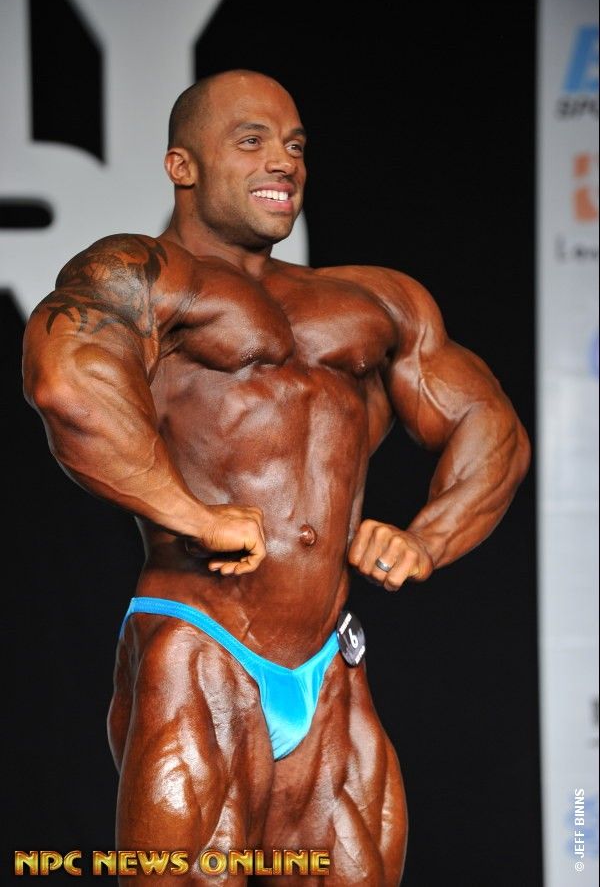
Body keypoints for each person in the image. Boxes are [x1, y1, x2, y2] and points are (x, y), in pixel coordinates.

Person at [22, 69, 530, 885]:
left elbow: (487, 419)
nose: (283, 162)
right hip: (199, 643)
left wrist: (428, 538)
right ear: (182, 166)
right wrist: (188, 513)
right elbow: (67, 379)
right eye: (251, 141)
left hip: (330, 661)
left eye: (295, 146)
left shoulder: (375, 300)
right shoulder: (145, 273)